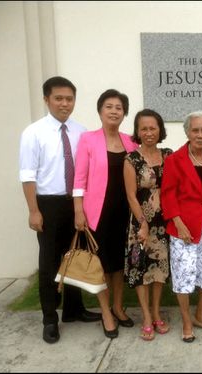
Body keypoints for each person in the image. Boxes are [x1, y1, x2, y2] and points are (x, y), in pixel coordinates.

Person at [19, 76, 102, 344]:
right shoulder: (34, 132)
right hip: (49, 203)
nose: (65, 103)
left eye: (69, 99)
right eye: (59, 98)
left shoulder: (82, 131)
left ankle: (74, 310)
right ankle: (49, 319)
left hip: (77, 202)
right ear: (47, 99)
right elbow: (28, 175)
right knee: (50, 262)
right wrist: (34, 210)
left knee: (76, 254)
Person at [73, 89, 138, 337]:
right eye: (109, 106)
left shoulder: (130, 141)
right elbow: (79, 179)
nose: (114, 111)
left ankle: (119, 307)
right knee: (101, 266)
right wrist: (78, 211)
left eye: (119, 107)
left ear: (124, 113)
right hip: (97, 214)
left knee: (119, 265)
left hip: (125, 213)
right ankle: (106, 313)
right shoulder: (88, 139)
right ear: (100, 110)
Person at [161, 111, 202, 343]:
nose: (200, 135)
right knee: (184, 275)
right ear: (187, 132)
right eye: (195, 130)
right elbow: (168, 195)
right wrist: (179, 224)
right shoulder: (174, 160)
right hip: (183, 228)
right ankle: (187, 320)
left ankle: (200, 315)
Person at [123, 109, 172, 341]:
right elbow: (132, 196)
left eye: (153, 128)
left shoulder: (169, 155)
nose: (149, 132)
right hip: (141, 223)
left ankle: (156, 312)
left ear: (160, 129)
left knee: (159, 270)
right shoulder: (131, 159)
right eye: (144, 128)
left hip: (163, 224)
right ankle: (145, 316)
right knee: (141, 270)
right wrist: (142, 223)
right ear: (138, 131)